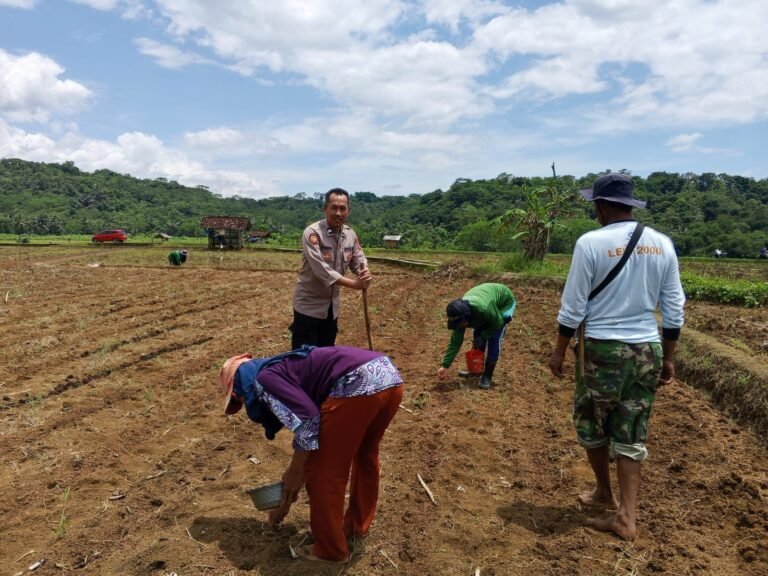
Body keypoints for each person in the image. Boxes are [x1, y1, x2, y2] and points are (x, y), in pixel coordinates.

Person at [548, 173, 685, 540]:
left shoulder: (590, 243)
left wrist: (559, 352)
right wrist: (668, 359)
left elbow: (573, 306)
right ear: (630, 205)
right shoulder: (662, 243)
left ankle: (604, 492)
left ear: (602, 205)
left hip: (602, 349)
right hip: (647, 349)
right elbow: (674, 310)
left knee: (592, 423)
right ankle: (626, 514)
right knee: (632, 429)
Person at [218, 346, 403, 563]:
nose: (243, 404)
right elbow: (313, 426)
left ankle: (330, 550)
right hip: (388, 376)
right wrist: (288, 493)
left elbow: (308, 423)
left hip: (355, 383)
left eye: (238, 400)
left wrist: (295, 471)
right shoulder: (283, 368)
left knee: (323, 470)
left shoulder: (264, 380)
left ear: (240, 388)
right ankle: (355, 529)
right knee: (366, 455)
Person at [290, 188, 371, 349]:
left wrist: (364, 272)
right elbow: (321, 270)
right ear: (325, 208)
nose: (338, 213)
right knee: (302, 360)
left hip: (331, 310)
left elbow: (357, 258)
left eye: (343, 208)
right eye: (334, 207)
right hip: (308, 308)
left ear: (348, 211)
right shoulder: (312, 233)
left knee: (326, 358)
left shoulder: (350, 235)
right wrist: (354, 284)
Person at [438, 283, 516, 390]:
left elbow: (497, 322)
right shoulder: (460, 313)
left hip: (503, 303)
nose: (459, 327)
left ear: (466, 318)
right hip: (485, 305)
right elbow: (456, 341)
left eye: (461, 324)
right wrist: (445, 365)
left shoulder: (483, 309)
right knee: (477, 334)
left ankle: (487, 376)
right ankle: (476, 370)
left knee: (493, 338)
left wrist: (484, 336)